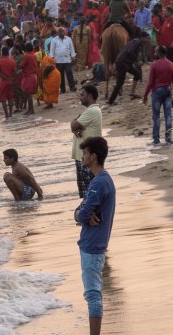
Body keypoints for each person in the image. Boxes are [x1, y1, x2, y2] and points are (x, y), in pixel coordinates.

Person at [74, 136, 115, 335]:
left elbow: (81, 213)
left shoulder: (99, 183)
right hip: (94, 242)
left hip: (93, 244)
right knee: (93, 292)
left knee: (93, 294)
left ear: (94, 156)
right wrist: (83, 214)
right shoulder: (101, 180)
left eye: (84, 153)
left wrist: (84, 214)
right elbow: (80, 213)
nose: (82, 157)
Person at [70, 85, 103, 197]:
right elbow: (75, 128)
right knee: (87, 193)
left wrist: (75, 122)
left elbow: (74, 125)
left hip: (87, 157)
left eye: (82, 95)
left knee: (89, 194)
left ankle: (90, 214)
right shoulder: (90, 111)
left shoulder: (92, 111)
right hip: (84, 156)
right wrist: (75, 126)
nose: (80, 98)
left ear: (90, 96)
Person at [106, 30, 148, 105]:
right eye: (146, 38)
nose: (147, 40)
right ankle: (110, 101)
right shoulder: (137, 42)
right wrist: (137, 60)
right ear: (142, 37)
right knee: (120, 83)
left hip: (124, 63)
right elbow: (130, 51)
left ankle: (132, 92)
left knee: (137, 74)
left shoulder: (135, 41)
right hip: (123, 63)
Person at [142, 45, 173, 145]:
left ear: (159, 53)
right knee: (168, 115)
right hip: (167, 90)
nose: (154, 53)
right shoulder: (171, 64)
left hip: (157, 91)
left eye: (155, 51)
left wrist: (145, 95)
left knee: (156, 116)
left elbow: (150, 82)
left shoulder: (154, 65)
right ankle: (168, 139)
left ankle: (156, 140)